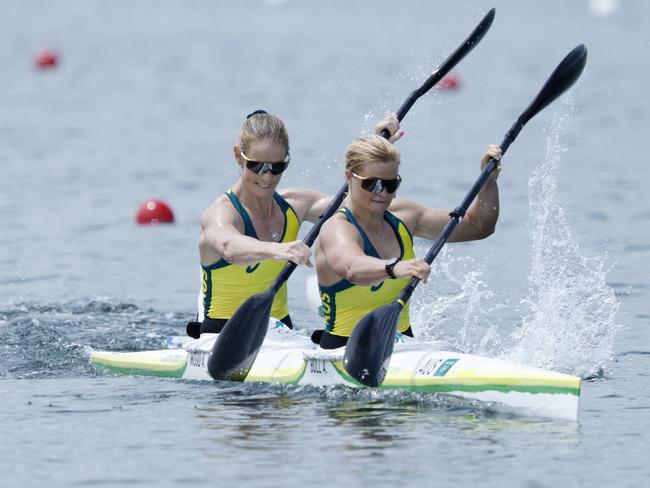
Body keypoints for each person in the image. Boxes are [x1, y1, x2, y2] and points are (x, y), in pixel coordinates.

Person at [188, 110, 402, 337]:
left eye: (277, 167)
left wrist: (378, 151)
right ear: (238, 156)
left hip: (280, 332)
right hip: (221, 335)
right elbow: (229, 247)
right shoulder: (222, 212)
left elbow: (364, 204)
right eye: (257, 166)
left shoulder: (295, 204)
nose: (267, 177)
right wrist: (277, 249)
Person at [314, 134, 502, 349]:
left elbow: (478, 226)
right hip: (344, 350)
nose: (382, 193)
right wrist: (395, 267)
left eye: (391, 184)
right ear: (349, 177)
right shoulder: (337, 228)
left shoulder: (405, 216)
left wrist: (488, 181)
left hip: (405, 347)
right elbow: (352, 268)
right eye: (371, 184)